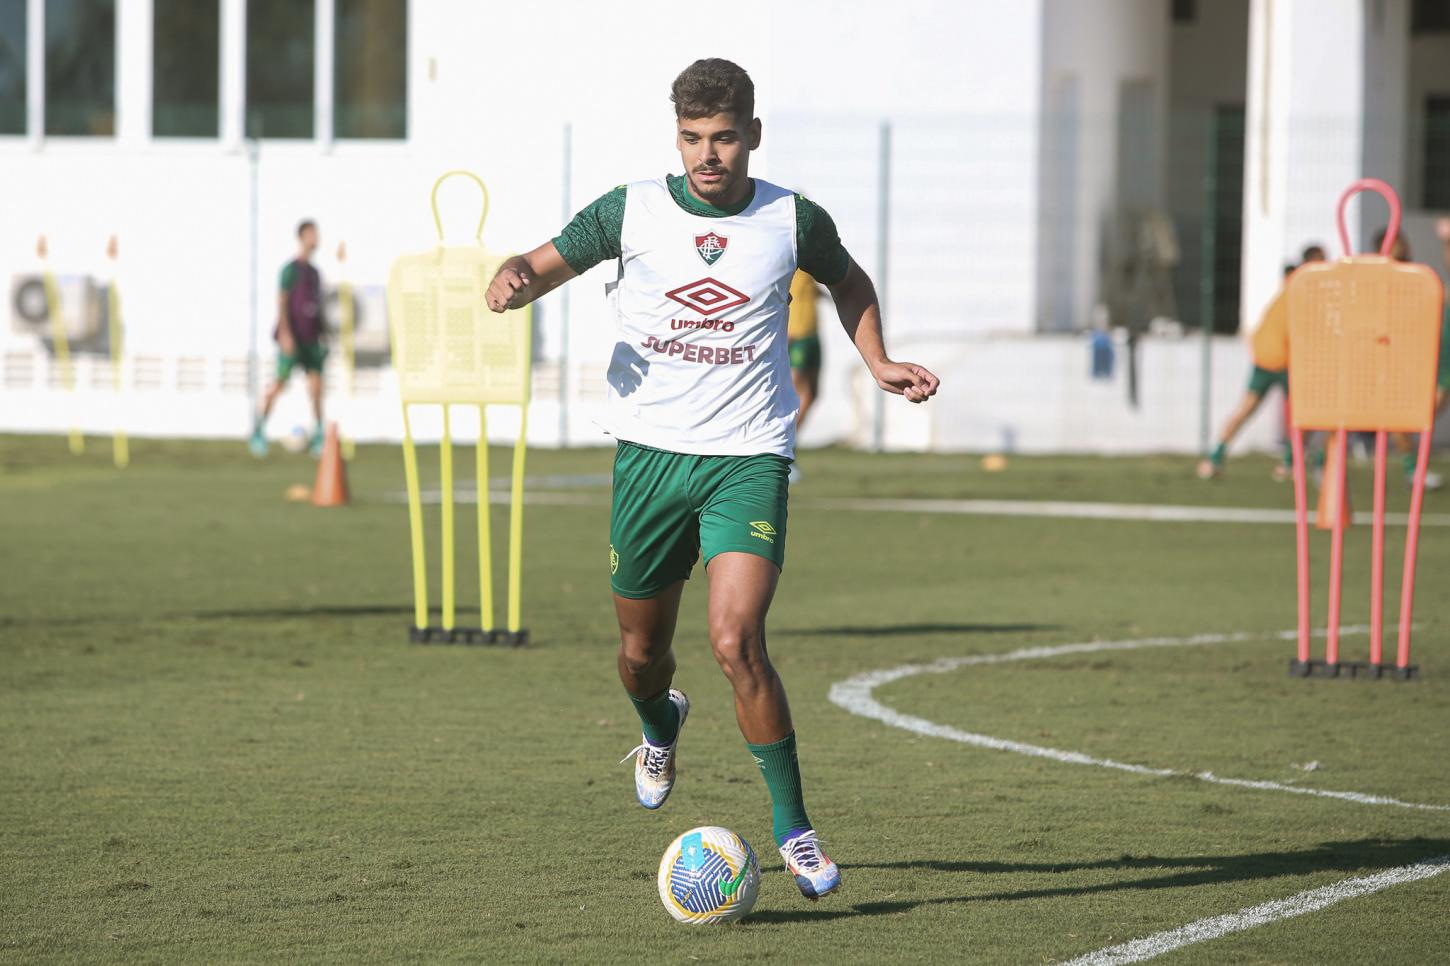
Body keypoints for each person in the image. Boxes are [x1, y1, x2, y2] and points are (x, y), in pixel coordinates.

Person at [483, 58, 938, 900]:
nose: (708, 155)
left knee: (737, 641)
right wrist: (513, 277)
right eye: (693, 138)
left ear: (752, 135)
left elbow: (849, 281)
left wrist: (874, 360)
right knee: (639, 654)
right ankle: (661, 725)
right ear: (678, 137)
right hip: (649, 460)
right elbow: (541, 262)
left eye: (724, 137)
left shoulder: (792, 219)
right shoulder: (633, 210)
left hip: (748, 458)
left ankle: (795, 832)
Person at [1197, 244, 1326, 480]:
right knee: (1292, 414)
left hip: (1276, 358)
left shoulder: (1300, 286)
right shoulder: (1303, 286)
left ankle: (1288, 462)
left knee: (1296, 415)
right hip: (1277, 360)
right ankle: (1218, 457)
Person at [250, 220, 327, 458]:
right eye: (312, 234)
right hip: (292, 338)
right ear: (302, 237)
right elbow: (281, 303)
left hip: (312, 340)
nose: (316, 238)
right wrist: (285, 333)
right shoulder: (289, 270)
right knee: (279, 384)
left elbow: (318, 307)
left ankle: (318, 436)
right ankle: (259, 430)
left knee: (316, 388)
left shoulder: (315, 273)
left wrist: (323, 335)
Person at [787, 267, 823, 440]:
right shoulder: (790, 266)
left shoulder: (810, 268)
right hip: (795, 337)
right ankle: (785, 443)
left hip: (812, 336)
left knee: (813, 394)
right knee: (798, 395)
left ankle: (789, 441)